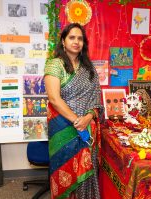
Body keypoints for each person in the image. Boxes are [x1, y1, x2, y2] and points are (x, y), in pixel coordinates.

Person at [44, 23, 103, 199]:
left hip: (86, 128)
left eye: (80, 38)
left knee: (86, 172)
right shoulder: (55, 65)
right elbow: (54, 99)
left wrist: (88, 118)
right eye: (72, 37)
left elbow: (97, 99)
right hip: (63, 127)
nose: (76, 42)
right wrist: (78, 121)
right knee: (65, 170)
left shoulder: (89, 68)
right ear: (63, 41)